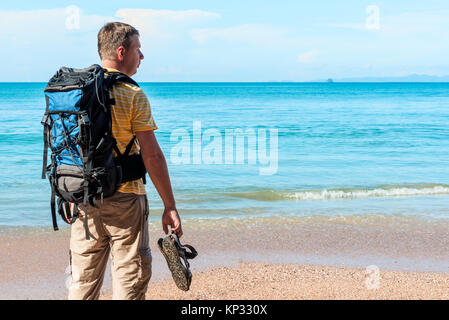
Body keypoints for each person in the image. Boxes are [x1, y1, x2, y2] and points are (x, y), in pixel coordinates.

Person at [68, 22, 183, 300]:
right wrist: (170, 206)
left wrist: (70, 194)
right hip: (126, 201)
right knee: (130, 280)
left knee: (82, 284)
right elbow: (152, 155)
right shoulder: (133, 94)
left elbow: (70, 147)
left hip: (83, 200)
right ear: (121, 52)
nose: (141, 57)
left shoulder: (76, 91)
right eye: (138, 50)